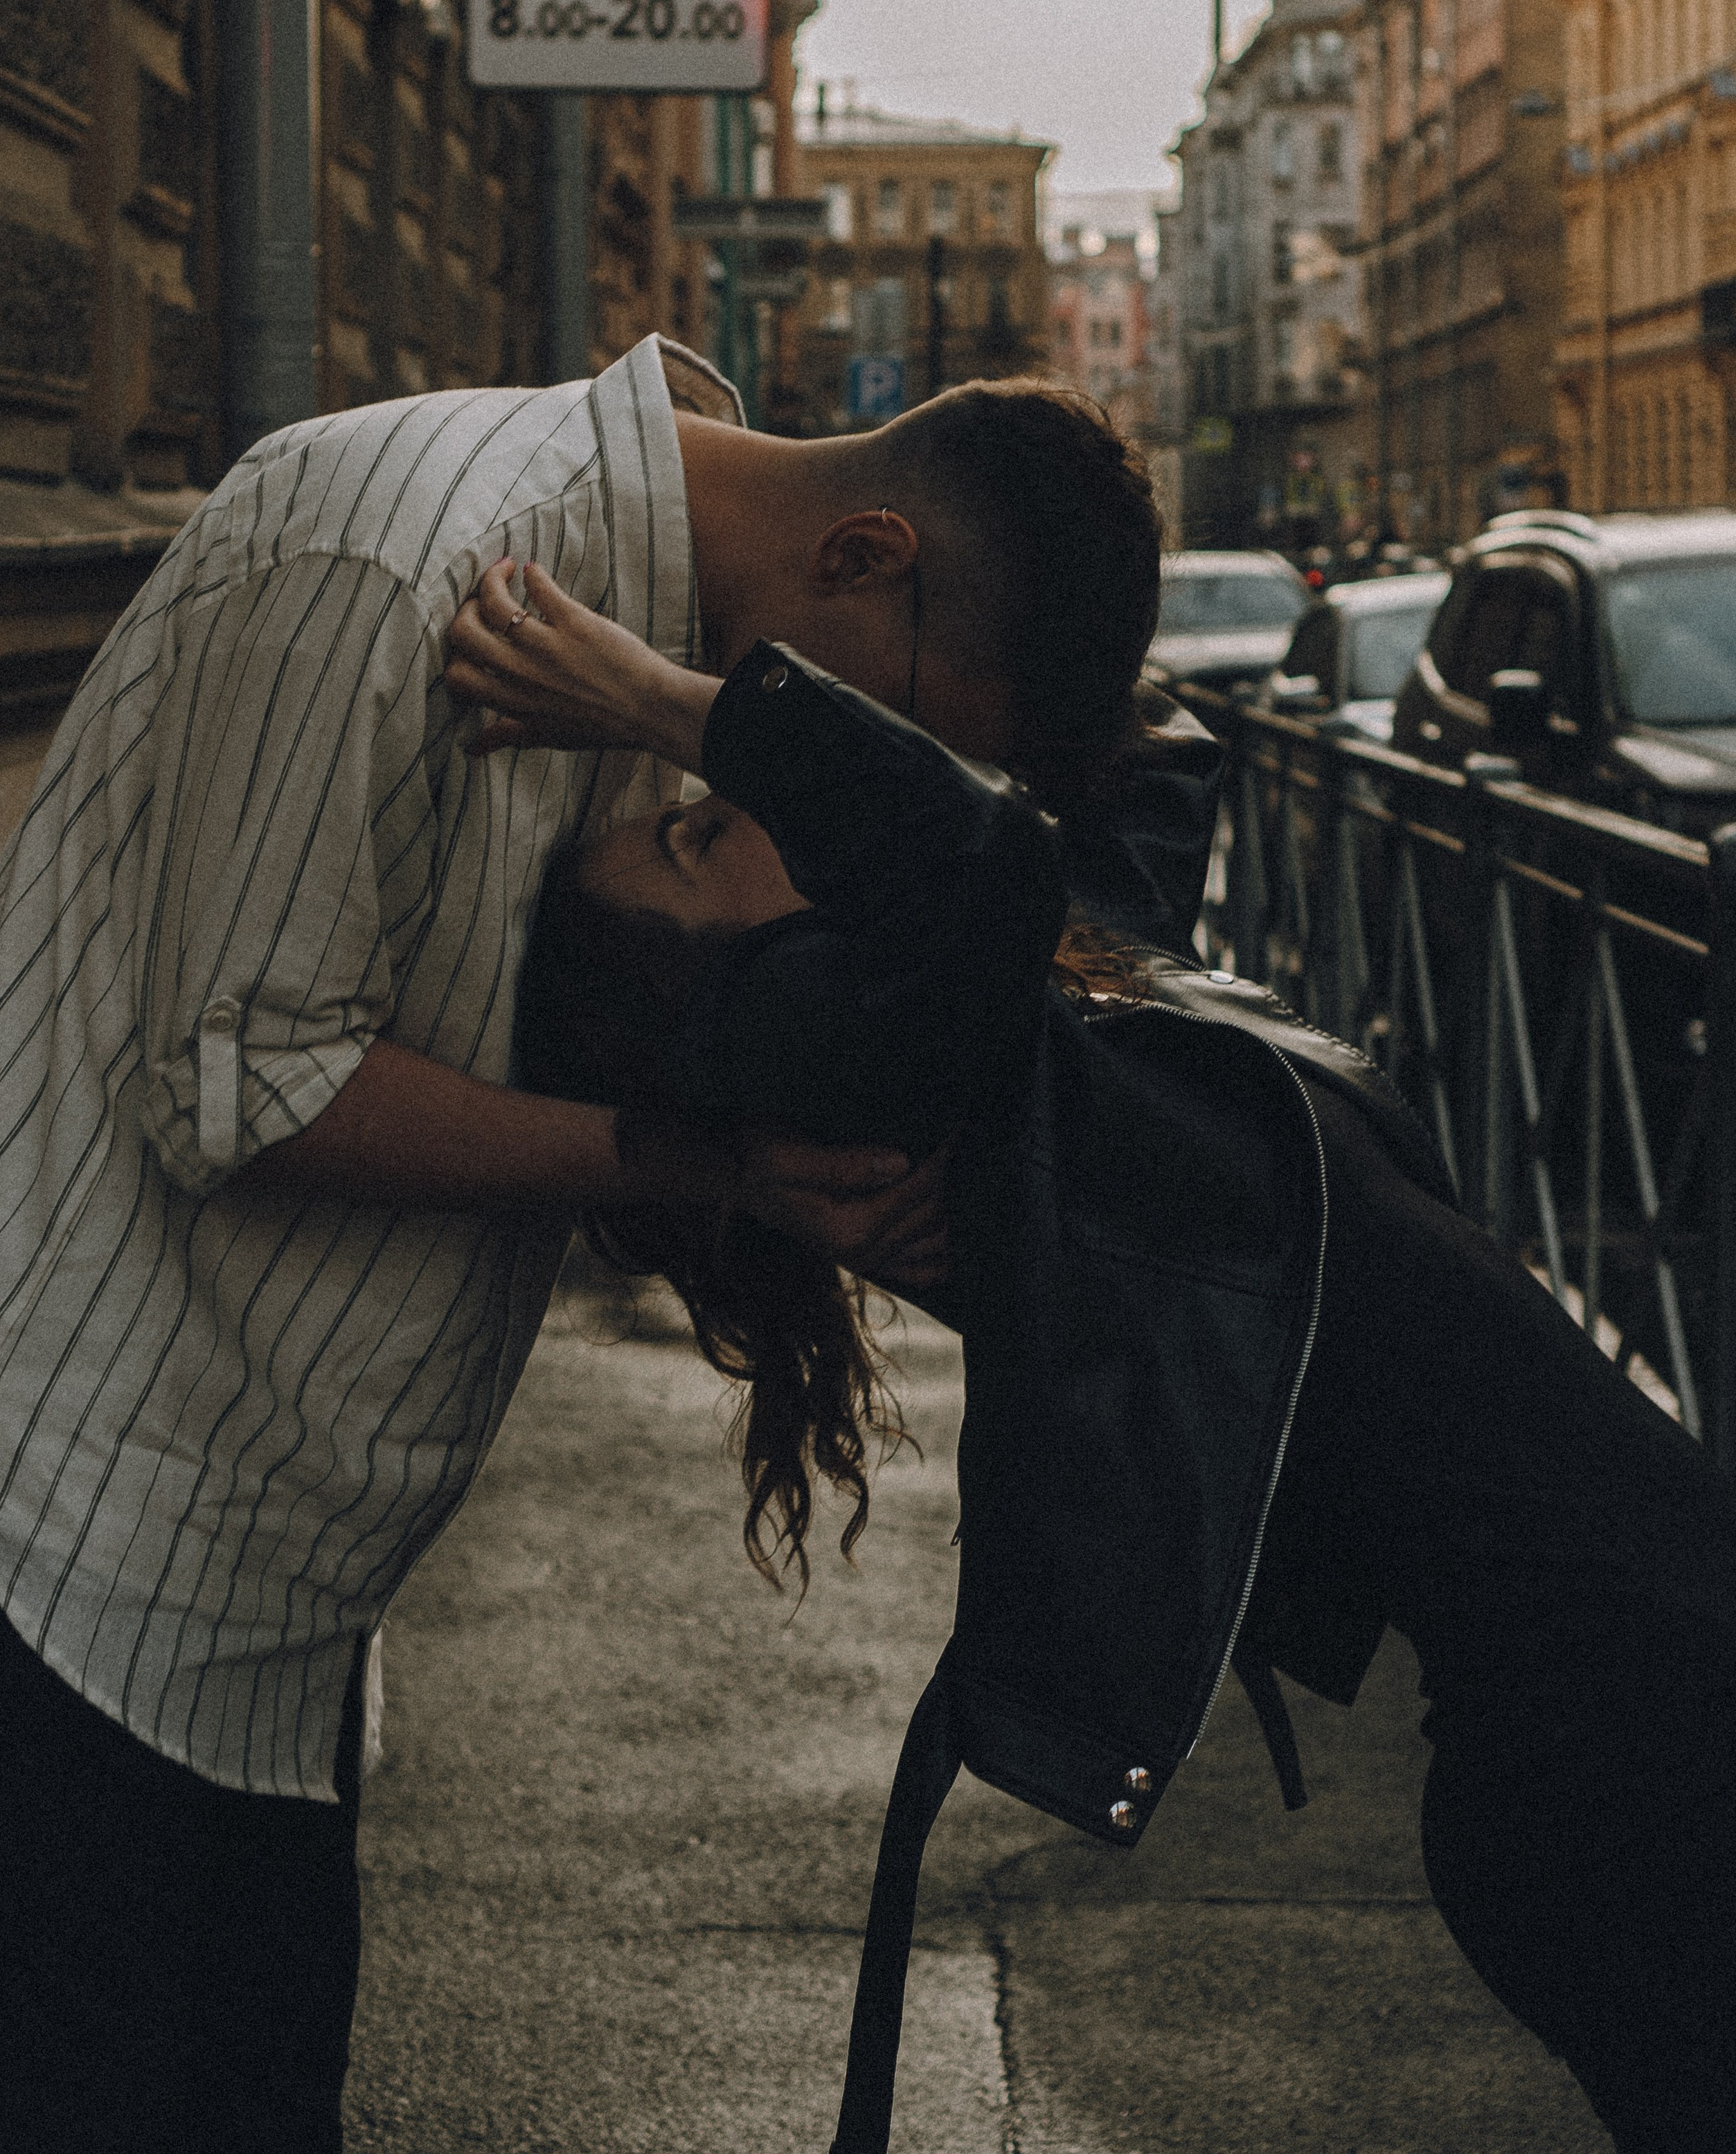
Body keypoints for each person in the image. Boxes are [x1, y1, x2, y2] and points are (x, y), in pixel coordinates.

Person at [0, 332, 1162, 2154]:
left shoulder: (655, 642)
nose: (846, 791)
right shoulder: (400, 553)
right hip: (61, 1533)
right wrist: (709, 1168)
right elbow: (246, 1087)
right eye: (896, 731)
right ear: (863, 557)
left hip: (267, 1594)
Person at [464, 562, 1736, 2154]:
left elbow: (1151, 750)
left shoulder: (1034, 1020)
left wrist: (870, 651)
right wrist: (672, 702)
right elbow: (978, 858)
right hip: (1627, 1750)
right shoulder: (849, 1044)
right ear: (721, 996)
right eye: (693, 838)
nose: (736, 804)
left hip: (1628, 1715)